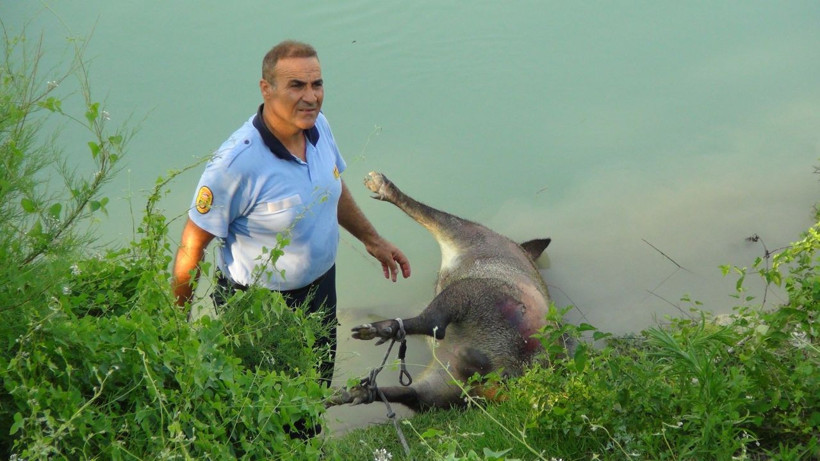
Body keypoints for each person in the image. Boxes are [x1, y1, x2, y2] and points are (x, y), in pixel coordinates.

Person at [172, 40, 411, 384]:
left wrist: (372, 239)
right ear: (266, 89)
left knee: (317, 389)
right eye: (296, 85)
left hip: (321, 290)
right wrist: (177, 333)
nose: (311, 97)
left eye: (317, 84)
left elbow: (330, 185)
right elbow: (192, 246)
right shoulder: (235, 165)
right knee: (266, 401)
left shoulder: (319, 127)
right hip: (259, 309)